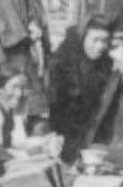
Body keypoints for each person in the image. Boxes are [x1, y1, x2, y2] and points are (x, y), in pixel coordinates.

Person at [47, 16, 123, 163]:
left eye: (105, 41)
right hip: (63, 138)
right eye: (95, 40)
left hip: (96, 141)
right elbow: (55, 107)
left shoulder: (109, 67)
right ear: (83, 38)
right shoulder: (61, 64)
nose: (100, 46)